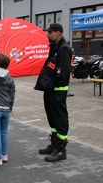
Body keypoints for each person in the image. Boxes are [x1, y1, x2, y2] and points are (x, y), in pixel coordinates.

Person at [34, 23, 73, 162]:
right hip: (50, 89)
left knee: (59, 118)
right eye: (48, 32)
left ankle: (61, 149)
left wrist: (52, 82)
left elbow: (63, 74)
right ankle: (55, 144)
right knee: (52, 118)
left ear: (59, 33)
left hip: (58, 91)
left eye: (51, 32)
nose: (48, 34)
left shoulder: (64, 49)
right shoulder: (55, 48)